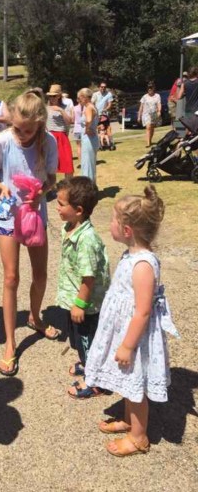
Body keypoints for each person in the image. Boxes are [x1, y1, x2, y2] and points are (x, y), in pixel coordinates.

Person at [85, 185, 179, 457]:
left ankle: (139, 437)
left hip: (134, 338)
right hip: (125, 333)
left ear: (127, 231)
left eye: (113, 220)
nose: (110, 224)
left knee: (137, 385)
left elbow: (143, 312)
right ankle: (128, 421)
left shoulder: (143, 266)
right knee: (128, 381)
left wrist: (127, 345)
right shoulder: (131, 255)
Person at [0, 92, 60, 376]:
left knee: (41, 275)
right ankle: (10, 343)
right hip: (7, 214)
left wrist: (43, 190)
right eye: (17, 128)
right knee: (11, 277)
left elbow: (52, 178)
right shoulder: (3, 141)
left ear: (39, 124)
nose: (23, 135)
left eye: (29, 130)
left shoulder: (48, 142)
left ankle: (35, 317)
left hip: (34, 214)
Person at [55, 177, 110, 399]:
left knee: (88, 341)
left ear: (78, 210)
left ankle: (94, 381)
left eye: (60, 204)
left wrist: (79, 304)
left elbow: (89, 278)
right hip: (75, 300)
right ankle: (87, 362)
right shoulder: (69, 227)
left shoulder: (86, 240)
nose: (56, 207)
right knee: (78, 340)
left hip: (85, 305)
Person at [46, 84, 74, 178]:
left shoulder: (65, 106)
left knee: (67, 164)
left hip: (61, 136)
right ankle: (51, 189)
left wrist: (61, 110)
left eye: (54, 96)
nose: (51, 98)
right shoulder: (46, 107)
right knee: (50, 165)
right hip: (49, 136)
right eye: (50, 96)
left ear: (59, 96)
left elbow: (70, 121)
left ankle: (69, 187)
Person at [78, 88, 99, 182]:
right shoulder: (93, 106)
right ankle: (91, 186)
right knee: (91, 164)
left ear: (84, 97)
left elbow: (89, 120)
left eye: (80, 98)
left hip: (88, 139)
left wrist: (87, 129)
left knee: (87, 165)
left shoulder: (88, 107)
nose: (79, 100)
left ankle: (87, 189)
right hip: (92, 138)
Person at [138, 82, 161, 147]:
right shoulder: (144, 97)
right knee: (148, 127)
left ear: (154, 88)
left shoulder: (157, 96)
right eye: (148, 88)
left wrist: (159, 111)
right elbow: (141, 107)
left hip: (153, 114)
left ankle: (150, 140)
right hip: (146, 114)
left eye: (151, 88)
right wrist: (139, 116)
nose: (150, 89)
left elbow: (159, 104)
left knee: (152, 128)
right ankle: (148, 143)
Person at [92, 82, 114, 146]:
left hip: (105, 114)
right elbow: (92, 103)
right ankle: (98, 142)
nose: (103, 88)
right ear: (99, 87)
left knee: (107, 127)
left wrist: (106, 109)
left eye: (104, 87)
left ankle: (110, 142)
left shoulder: (109, 94)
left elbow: (110, 104)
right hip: (96, 114)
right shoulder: (95, 94)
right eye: (102, 87)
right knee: (98, 128)